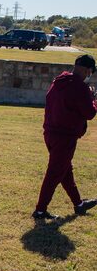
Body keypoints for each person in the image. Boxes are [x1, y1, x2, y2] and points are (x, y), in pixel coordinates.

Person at [32, 54, 97, 220]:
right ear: (84, 69)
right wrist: (92, 98)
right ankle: (40, 210)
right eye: (89, 71)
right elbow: (89, 113)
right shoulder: (79, 87)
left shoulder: (58, 81)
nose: (89, 75)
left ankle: (79, 204)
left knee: (65, 171)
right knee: (54, 173)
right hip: (65, 136)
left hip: (50, 133)